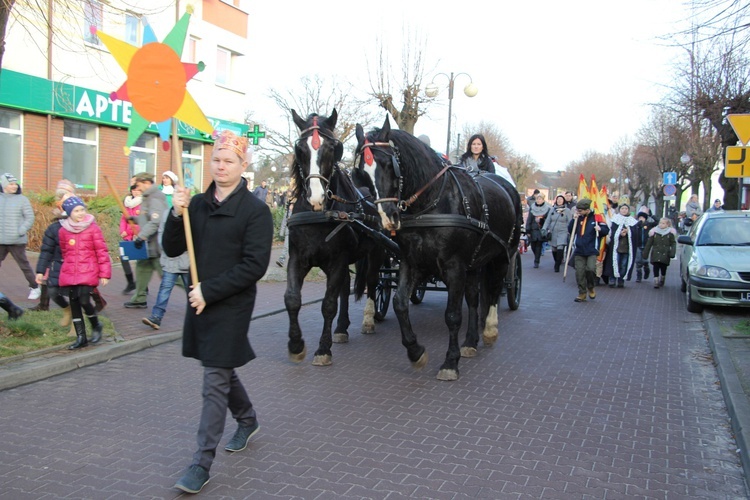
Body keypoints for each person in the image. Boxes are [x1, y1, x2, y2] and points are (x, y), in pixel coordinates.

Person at [164, 129, 273, 494]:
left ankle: (201, 463)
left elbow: (254, 265)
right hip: (200, 299)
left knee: (214, 379)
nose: (221, 166)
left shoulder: (256, 211)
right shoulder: (196, 204)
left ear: (243, 166)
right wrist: (176, 213)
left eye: (229, 161)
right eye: (216, 160)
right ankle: (247, 418)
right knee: (220, 367)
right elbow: (172, 246)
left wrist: (209, 290)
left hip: (231, 302)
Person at [56, 196, 111, 349]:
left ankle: (96, 324)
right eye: (76, 211)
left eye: (82, 210)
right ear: (69, 213)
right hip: (71, 272)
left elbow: (101, 251)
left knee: (85, 300)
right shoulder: (63, 231)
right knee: (74, 302)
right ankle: (81, 337)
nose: (80, 213)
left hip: (88, 271)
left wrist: (104, 273)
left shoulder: (93, 228)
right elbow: (65, 251)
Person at [34, 180, 78, 335]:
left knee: (75, 296)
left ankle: (76, 325)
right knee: (53, 292)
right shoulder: (54, 228)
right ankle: (66, 310)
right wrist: (40, 270)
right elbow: (46, 250)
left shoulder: (82, 227)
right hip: (58, 265)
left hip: (76, 268)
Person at [124, 172, 167, 309]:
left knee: (169, 276)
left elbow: (156, 222)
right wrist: (134, 219)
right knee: (142, 268)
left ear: (146, 182)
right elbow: (147, 218)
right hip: (149, 245)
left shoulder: (155, 198)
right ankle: (139, 298)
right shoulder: (148, 197)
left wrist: (141, 236)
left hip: (156, 245)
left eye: (138, 185)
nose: (137, 188)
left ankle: (194, 292)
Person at [141, 209, 189, 330]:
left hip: (187, 262)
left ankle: (199, 318)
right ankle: (156, 317)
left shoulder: (191, 212)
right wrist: (166, 248)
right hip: (171, 261)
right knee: (164, 289)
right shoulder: (168, 213)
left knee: (192, 291)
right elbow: (162, 233)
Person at [0, 173, 40, 301]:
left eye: (15, 184)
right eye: (11, 184)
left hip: (17, 240)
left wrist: (20, 230)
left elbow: (30, 217)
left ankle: (34, 287)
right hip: (1, 240)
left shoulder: (22, 199)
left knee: (24, 265)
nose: (14, 186)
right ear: (4, 185)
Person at [567, 198, 609, 302]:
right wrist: (574, 219)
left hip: (591, 250)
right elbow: (570, 229)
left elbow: (606, 230)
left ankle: (590, 286)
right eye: (577, 210)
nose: (578, 212)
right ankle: (582, 293)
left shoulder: (596, 218)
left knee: (590, 269)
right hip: (579, 250)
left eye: (580, 210)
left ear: (587, 209)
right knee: (579, 272)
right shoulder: (578, 218)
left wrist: (600, 229)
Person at [604, 204, 638, 288]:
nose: (624, 210)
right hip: (616, 247)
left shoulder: (632, 221)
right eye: (622, 208)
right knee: (614, 262)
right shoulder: (615, 219)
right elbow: (612, 232)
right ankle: (612, 279)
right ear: (619, 210)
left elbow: (635, 234)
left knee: (623, 265)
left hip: (626, 248)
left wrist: (628, 232)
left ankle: (621, 280)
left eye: (626, 208)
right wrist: (620, 234)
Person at [119, 181, 141, 295]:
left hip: (138, 235)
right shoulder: (127, 203)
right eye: (134, 190)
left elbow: (138, 222)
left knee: (140, 261)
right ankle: (130, 282)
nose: (136, 192)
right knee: (124, 258)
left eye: (138, 190)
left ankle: (143, 285)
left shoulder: (143, 203)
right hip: (127, 236)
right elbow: (124, 219)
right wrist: (122, 231)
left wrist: (128, 231)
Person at [643, 217, 677, 289]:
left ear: (667, 225)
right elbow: (649, 243)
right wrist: (645, 253)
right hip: (656, 252)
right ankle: (656, 280)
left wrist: (672, 253)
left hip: (665, 253)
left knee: (663, 267)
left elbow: (673, 244)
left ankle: (662, 277)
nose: (661, 225)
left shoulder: (670, 234)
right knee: (656, 266)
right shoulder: (654, 233)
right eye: (660, 223)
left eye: (663, 223)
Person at [541, 195, 572, 272]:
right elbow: (548, 220)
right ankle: (557, 261)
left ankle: (557, 265)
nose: (559, 201)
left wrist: (570, 231)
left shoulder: (567, 210)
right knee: (554, 248)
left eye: (561, 199)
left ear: (563, 201)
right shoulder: (552, 210)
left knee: (560, 247)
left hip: (563, 231)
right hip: (553, 231)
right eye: (558, 199)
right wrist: (544, 229)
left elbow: (570, 221)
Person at [525, 193, 551, 268]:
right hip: (533, 229)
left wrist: (541, 220)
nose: (538, 200)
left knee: (539, 245)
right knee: (533, 246)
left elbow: (548, 220)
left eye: (540, 199)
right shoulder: (532, 208)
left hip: (541, 230)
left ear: (543, 200)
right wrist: (528, 230)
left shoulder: (547, 208)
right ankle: (536, 255)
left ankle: (536, 261)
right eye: (537, 199)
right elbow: (529, 219)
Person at [633, 211, 655, 283]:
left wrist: (651, 215)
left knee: (645, 260)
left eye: (643, 217)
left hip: (646, 245)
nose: (641, 219)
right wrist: (638, 224)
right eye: (640, 217)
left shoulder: (648, 225)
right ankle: (639, 276)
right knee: (638, 261)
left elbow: (656, 222)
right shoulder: (637, 225)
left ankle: (646, 269)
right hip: (638, 245)